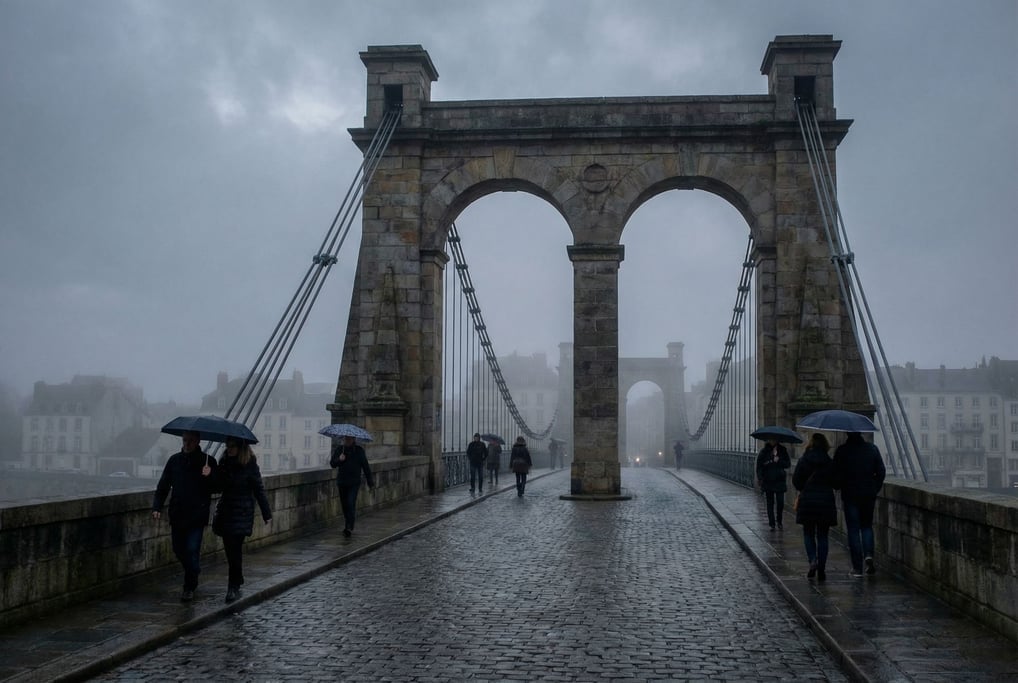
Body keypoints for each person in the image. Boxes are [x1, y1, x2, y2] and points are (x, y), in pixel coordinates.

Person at [152, 430, 218, 602]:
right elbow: (163, 485)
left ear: (197, 441)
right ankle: (193, 570)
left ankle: (189, 587)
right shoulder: (174, 460)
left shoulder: (208, 461)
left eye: (190, 441)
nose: (187, 444)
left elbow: (218, 487)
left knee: (192, 549)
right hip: (178, 513)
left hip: (197, 514)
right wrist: (157, 506)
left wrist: (209, 475)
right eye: (185, 440)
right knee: (178, 549)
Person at [213, 438, 272, 603]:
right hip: (226, 512)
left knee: (235, 550)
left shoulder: (250, 465)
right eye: (227, 446)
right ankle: (237, 578)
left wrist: (266, 513)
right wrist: (210, 474)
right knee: (230, 551)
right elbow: (217, 487)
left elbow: (259, 489)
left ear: (240, 448)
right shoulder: (223, 463)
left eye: (232, 446)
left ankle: (232, 586)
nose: (229, 449)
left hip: (242, 513)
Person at [833, 431, 887, 577]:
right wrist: (874, 488)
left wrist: (839, 485)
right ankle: (868, 555)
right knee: (867, 526)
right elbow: (881, 471)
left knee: (853, 530)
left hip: (850, 494)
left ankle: (857, 568)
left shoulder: (842, 451)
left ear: (847, 434)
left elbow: (835, 475)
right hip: (868, 494)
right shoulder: (872, 449)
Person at [792, 433, 838, 582]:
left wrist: (804, 488)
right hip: (825, 503)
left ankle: (812, 560)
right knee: (823, 536)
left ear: (810, 444)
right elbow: (836, 483)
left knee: (808, 533)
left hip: (808, 502)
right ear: (825, 445)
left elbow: (796, 482)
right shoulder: (829, 462)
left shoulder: (804, 460)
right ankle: (822, 568)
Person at [330, 434, 375, 537]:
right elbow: (332, 464)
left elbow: (366, 466)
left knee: (351, 503)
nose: (347, 440)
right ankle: (348, 523)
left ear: (353, 439)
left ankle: (349, 527)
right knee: (345, 505)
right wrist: (339, 460)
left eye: (349, 438)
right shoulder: (340, 450)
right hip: (342, 482)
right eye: (346, 438)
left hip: (354, 483)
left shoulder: (359, 451)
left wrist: (370, 482)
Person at [755, 438, 791, 529]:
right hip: (768, 480)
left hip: (779, 480)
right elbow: (759, 466)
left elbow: (787, 464)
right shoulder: (764, 452)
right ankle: (772, 523)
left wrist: (778, 460)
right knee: (770, 503)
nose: (772, 441)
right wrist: (760, 478)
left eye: (774, 439)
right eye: (771, 439)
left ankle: (779, 521)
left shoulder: (782, 450)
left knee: (780, 502)